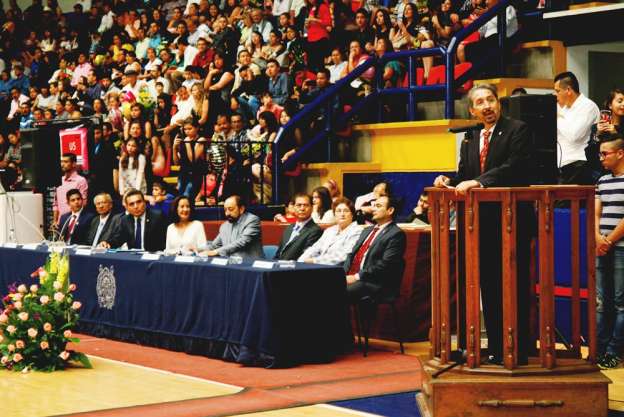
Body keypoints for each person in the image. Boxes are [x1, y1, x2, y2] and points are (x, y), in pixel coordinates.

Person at [433, 83, 533, 365]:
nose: (487, 105)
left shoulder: (518, 129)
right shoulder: (470, 138)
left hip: (512, 221)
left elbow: (515, 165)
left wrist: (480, 182)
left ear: (498, 103)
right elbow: (465, 173)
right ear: (473, 110)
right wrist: (448, 180)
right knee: (489, 285)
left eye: (491, 99)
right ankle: (498, 349)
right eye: (480, 102)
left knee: (515, 285)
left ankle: (520, 348)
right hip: (481, 225)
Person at [595, 134, 624, 369]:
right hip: (602, 246)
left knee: (620, 302)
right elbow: (596, 212)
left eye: (605, 153)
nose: (601, 157)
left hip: (619, 247)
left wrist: (610, 240)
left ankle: (614, 351)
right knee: (602, 302)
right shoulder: (603, 181)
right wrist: (597, 237)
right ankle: (600, 348)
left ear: (620, 153)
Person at [343, 195, 406, 301]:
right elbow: (351, 255)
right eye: (373, 205)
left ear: (390, 210)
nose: (373, 209)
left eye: (378, 206)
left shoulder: (396, 234)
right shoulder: (367, 230)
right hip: (354, 277)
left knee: (336, 292)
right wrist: (343, 274)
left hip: (374, 282)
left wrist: (356, 277)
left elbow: (385, 264)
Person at [554, 71, 600, 185]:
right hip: (562, 164)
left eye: (558, 91)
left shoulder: (588, 106)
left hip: (579, 164)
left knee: (566, 202)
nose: (555, 95)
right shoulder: (564, 109)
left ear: (568, 90)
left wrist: (557, 117)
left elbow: (574, 135)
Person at [299, 197, 362, 265]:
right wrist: (301, 261)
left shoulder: (357, 231)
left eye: (346, 211)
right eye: (338, 211)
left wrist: (314, 261)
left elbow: (343, 256)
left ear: (352, 215)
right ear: (334, 214)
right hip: (320, 266)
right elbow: (315, 248)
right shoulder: (330, 230)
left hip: (338, 269)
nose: (342, 214)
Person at [102, 189, 167, 252]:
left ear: (144, 202)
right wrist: (108, 243)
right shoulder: (125, 220)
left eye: (139, 202)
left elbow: (165, 241)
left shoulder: (157, 216)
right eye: (131, 204)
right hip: (133, 258)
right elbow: (118, 239)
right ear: (127, 207)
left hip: (152, 257)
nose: (136, 206)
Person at [274, 193, 323, 260]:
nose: (302, 208)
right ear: (293, 207)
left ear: (312, 208)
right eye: (299, 205)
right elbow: (278, 253)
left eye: (306, 205)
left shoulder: (315, 230)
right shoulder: (289, 228)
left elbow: (305, 257)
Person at [53, 153, 89, 225]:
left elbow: (83, 203)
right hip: (60, 222)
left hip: (74, 221)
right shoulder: (60, 180)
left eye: (66, 162)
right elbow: (55, 203)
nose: (62, 164)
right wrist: (55, 220)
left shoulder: (80, 180)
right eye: (61, 162)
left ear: (74, 164)